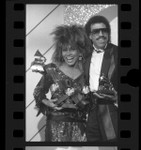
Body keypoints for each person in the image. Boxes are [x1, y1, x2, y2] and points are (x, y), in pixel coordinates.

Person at [33, 25, 91, 142]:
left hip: (81, 126)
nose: (68, 54)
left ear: (80, 50)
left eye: (72, 49)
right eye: (65, 50)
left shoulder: (87, 71)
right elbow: (38, 91)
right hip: (55, 124)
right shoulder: (52, 69)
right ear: (60, 51)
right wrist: (47, 102)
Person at [84, 15, 118, 141]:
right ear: (90, 36)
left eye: (104, 30)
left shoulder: (118, 53)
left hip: (111, 108)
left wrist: (117, 97)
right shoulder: (85, 56)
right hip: (91, 108)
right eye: (96, 31)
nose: (101, 34)